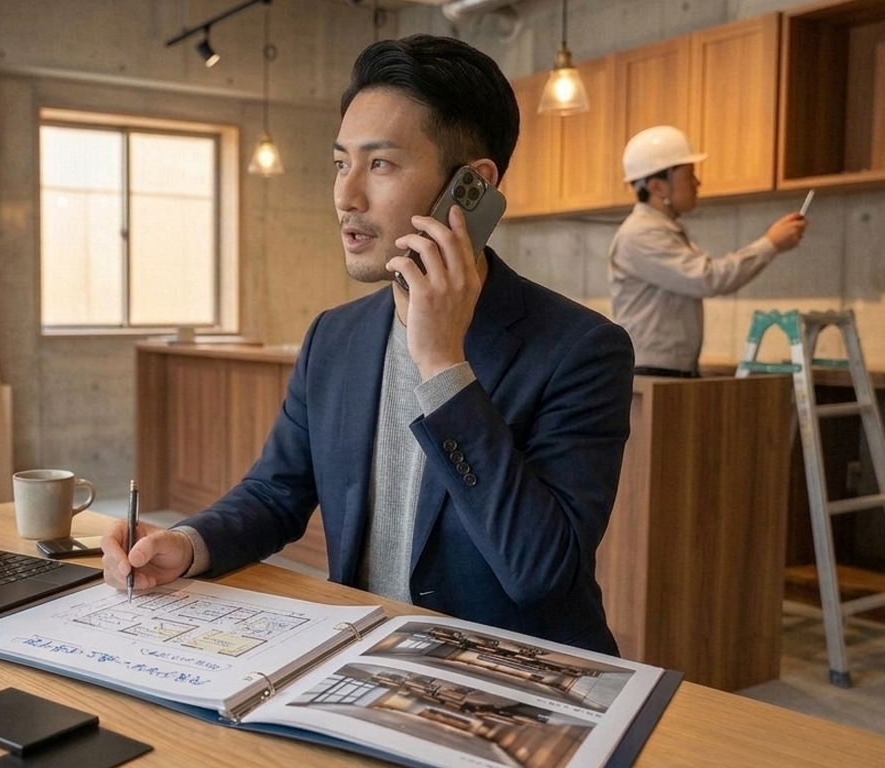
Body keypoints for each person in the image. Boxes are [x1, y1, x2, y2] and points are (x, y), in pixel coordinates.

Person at [102, 34, 634, 655]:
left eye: (379, 164)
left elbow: (541, 575)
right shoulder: (336, 336)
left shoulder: (582, 349)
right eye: (340, 163)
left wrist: (443, 366)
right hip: (365, 661)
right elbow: (276, 492)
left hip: (511, 678)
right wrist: (189, 545)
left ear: (471, 187)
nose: (346, 196)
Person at [610, 125, 808, 377]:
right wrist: (771, 244)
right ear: (657, 186)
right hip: (653, 374)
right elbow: (708, 278)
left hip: (663, 371)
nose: (697, 182)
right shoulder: (642, 234)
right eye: (689, 174)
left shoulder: (658, 230)